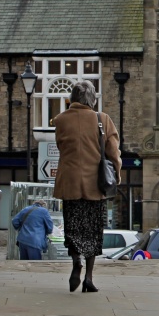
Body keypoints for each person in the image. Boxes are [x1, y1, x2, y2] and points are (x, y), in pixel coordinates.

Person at [52, 80, 121, 293]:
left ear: (72, 98)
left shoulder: (61, 120)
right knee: (93, 232)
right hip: (95, 185)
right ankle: (88, 279)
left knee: (73, 229)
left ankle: (76, 262)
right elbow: (113, 152)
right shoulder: (103, 119)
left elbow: (61, 147)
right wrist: (117, 174)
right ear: (92, 99)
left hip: (70, 183)